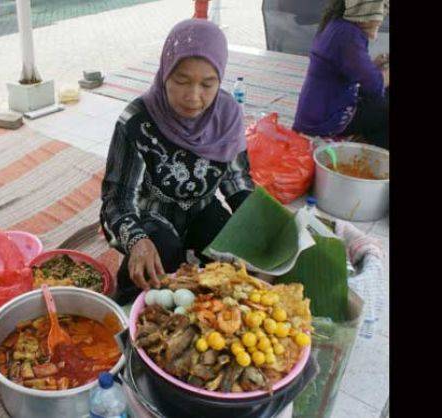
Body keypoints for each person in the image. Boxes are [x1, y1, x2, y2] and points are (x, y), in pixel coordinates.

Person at [100, 19, 255, 306]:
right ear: (164, 73)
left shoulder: (228, 115)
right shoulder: (137, 121)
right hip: (151, 216)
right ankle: (129, 304)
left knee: (234, 256)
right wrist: (136, 241)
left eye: (207, 84)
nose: (193, 97)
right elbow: (117, 199)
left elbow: (237, 181)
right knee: (160, 253)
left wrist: (261, 228)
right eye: (181, 80)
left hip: (201, 210)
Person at [293, 0, 389, 149]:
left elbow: (353, 71)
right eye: (382, 7)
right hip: (324, 121)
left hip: (317, 111)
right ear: (366, 10)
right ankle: (376, 157)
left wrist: (375, 66)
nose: (384, 14)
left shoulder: (339, 24)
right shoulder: (348, 34)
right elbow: (374, 87)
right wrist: (385, 74)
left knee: (384, 98)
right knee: (384, 107)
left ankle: (369, 145)